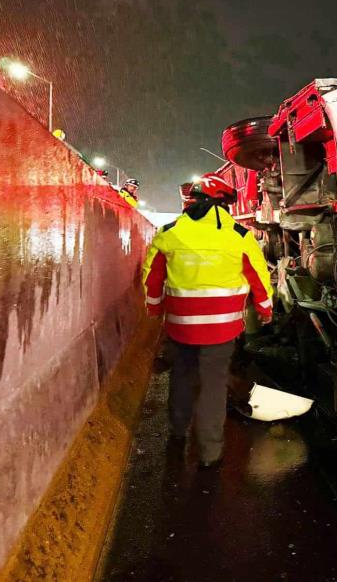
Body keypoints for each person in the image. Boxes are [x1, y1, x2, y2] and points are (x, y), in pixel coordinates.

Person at [142, 173, 273, 468]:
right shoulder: (239, 236)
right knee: (213, 386)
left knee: (183, 378)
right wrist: (265, 309)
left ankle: (177, 434)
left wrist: (154, 309)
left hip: (180, 327)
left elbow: (152, 278)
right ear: (223, 205)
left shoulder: (168, 233)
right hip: (222, 329)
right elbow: (259, 278)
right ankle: (210, 454)